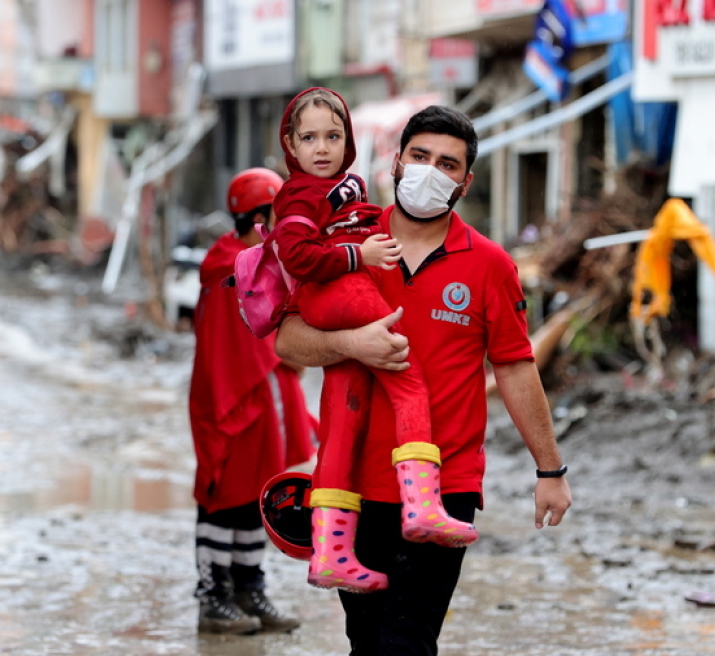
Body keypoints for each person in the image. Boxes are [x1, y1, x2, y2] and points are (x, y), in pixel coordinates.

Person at [275, 105, 573, 654]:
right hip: (352, 486)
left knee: (408, 640)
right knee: (365, 640)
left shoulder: (489, 264)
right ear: (395, 162)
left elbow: (514, 365)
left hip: (444, 487)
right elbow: (286, 340)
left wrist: (549, 468)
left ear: (466, 181)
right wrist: (347, 344)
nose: (430, 171)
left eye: (447, 164)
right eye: (419, 156)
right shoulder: (344, 246)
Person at [269, 88, 477, 593]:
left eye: (333, 136)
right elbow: (296, 257)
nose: (322, 148)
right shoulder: (301, 194)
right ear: (290, 146)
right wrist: (358, 258)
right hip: (339, 288)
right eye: (310, 138)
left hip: (338, 293)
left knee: (341, 420)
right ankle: (424, 506)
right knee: (406, 375)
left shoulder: (343, 187)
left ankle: (331, 551)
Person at [189, 167, 317, 635]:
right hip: (235, 397)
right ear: (261, 215)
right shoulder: (231, 266)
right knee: (224, 493)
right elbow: (241, 348)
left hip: (262, 396)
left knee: (253, 496)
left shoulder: (255, 259)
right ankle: (213, 597)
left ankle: (249, 589)